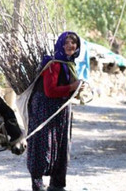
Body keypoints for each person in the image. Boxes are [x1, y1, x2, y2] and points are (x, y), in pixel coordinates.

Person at [27, 31, 82, 191]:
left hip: (62, 109)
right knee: (42, 146)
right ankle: (37, 185)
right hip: (45, 109)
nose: (70, 46)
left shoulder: (70, 64)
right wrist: (72, 87)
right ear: (60, 44)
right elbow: (50, 91)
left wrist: (77, 89)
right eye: (66, 42)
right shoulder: (53, 64)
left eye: (73, 43)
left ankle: (57, 184)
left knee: (62, 145)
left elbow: (66, 88)